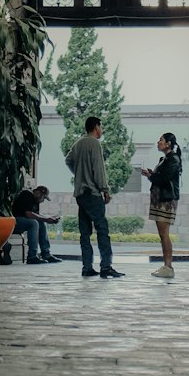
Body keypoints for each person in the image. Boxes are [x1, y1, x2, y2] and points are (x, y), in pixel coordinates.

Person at [65, 115, 124, 278]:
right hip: (92, 193)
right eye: (101, 126)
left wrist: (79, 175)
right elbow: (99, 170)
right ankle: (106, 266)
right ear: (96, 127)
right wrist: (105, 190)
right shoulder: (94, 144)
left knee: (85, 232)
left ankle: (87, 266)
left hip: (80, 194)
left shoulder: (78, 144)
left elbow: (68, 160)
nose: (102, 130)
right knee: (102, 230)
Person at [141, 131, 183, 279]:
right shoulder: (165, 159)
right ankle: (166, 265)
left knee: (164, 233)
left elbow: (164, 179)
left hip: (166, 200)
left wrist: (151, 176)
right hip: (160, 199)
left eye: (161, 140)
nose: (158, 142)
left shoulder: (173, 159)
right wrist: (151, 175)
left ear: (168, 143)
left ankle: (168, 266)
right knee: (162, 233)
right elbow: (161, 177)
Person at [12, 184, 61, 264]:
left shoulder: (35, 201)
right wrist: (46, 219)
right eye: (44, 198)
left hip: (23, 221)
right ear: (38, 193)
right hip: (15, 221)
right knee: (34, 223)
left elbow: (37, 215)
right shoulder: (27, 195)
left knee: (40, 222)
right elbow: (28, 214)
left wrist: (49, 218)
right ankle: (32, 256)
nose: (43, 200)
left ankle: (46, 254)